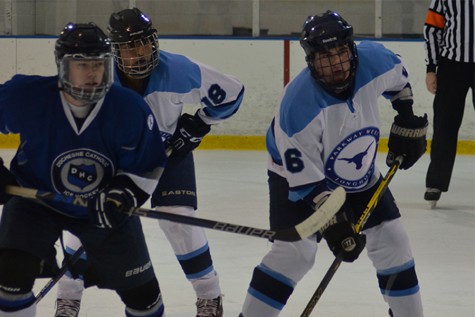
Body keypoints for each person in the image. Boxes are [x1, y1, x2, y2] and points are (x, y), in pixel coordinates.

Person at [54, 7, 244, 317]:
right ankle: (68, 297)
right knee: (82, 214)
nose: (138, 52)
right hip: (112, 161)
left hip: (166, 152)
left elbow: (233, 93)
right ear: (114, 50)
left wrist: (200, 124)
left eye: (143, 43)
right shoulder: (98, 77)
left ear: (154, 42)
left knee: (178, 218)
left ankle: (209, 296)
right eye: (129, 46)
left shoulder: (179, 71)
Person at [239, 11, 428, 317]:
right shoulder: (296, 108)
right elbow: (308, 185)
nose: (337, 63)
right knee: (295, 254)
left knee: (393, 240)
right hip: (298, 180)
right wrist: (334, 226)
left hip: (358, 170)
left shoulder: (376, 60)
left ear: (351, 48)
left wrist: (405, 116)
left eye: (341, 52)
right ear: (311, 60)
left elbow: (400, 81)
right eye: (325, 57)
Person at [0, 22, 168, 316]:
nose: (93, 73)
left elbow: (148, 163)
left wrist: (126, 192)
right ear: (63, 67)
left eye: (99, 65)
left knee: (144, 297)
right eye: (83, 65)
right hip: (34, 200)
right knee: (9, 279)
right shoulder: (27, 96)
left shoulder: (129, 108)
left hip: (103, 206)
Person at [423, 0, 474, 208]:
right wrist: (431, 68)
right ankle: (435, 184)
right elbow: (432, 29)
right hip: (452, 66)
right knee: (445, 125)